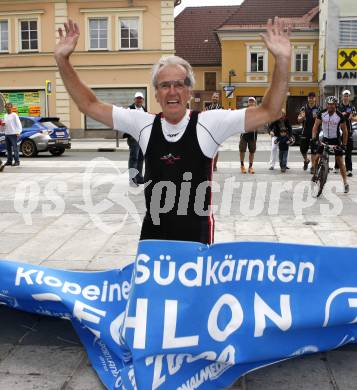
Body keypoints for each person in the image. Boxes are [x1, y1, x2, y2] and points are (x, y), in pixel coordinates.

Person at [54, 17, 291, 244]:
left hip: (195, 241)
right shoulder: (143, 124)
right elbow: (89, 105)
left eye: (179, 84)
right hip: (153, 239)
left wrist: (282, 60)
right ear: (156, 94)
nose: (172, 91)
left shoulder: (209, 123)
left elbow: (269, 111)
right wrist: (63, 61)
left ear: (189, 91)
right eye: (164, 85)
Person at [311, 96, 349, 193]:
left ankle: (345, 183)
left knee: (340, 162)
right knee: (316, 158)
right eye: (328, 104)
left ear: (335, 105)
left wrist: (344, 144)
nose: (330, 106)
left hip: (336, 140)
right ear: (326, 104)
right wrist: (314, 137)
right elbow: (315, 126)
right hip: (325, 139)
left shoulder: (340, 115)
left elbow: (345, 131)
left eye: (332, 104)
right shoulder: (322, 113)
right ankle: (315, 174)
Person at [334, 90, 357, 177]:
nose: (346, 97)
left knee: (348, 152)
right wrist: (342, 115)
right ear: (342, 96)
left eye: (348, 96)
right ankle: (337, 167)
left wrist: (351, 117)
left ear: (349, 97)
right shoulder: (338, 106)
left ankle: (349, 170)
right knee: (338, 150)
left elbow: (355, 118)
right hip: (339, 132)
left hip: (349, 132)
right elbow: (335, 117)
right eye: (345, 96)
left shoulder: (352, 107)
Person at [297, 92, 320, 173]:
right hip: (305, 131)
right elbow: (298, 119)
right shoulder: (303, 108)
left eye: (312, 97)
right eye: (309, 97)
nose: (311, 99)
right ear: (308, 99)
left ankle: (313, 167)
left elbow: (323, 120)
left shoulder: (318, 108)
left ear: (315, 98)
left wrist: (317, 118)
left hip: (315, 132)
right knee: (302, 149)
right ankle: (306, 160)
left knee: (314, 150)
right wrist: (302, 117)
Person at [127, 92, 146, 186]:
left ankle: (139, 177)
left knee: (141, 158)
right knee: (134, 158)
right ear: (134, 100)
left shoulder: (144, 110)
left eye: (140, 98)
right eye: (137, 98)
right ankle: (132, 179)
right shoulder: (129, 109)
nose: (139, 100)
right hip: (133, 137)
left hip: (142, 137)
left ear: (143, 100)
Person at [239, 97, 258, 174]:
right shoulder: (244, 111)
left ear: (255, 103)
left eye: (252, 102)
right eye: (250, 102)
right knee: (242, 150)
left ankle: (250, 167)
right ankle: (242, 165)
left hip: (253, 135)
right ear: (248, 103)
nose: (251, 103)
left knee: (252, 151)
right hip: (244, 134)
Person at [206, 92, 222, 171]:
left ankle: (214, 166)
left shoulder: (220, 108)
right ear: (211, 98)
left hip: (216, 132)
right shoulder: (207, 108)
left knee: (215, 149)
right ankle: (209, 165)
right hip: (209, 131)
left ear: (218, 99)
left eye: (216, 97)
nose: (215, 98)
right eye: (214, 97)